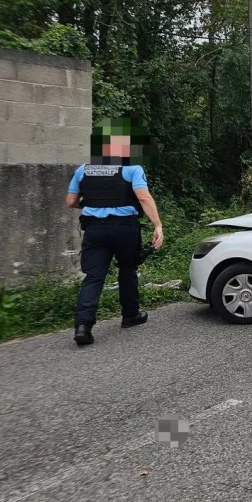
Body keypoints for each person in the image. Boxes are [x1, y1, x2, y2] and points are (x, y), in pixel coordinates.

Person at [66, 119, 163, 346]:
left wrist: (93, 205)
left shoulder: (83, 170)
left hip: (95, 231)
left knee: (94, 277)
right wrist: (157, 224)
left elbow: (71, 201)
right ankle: (130, 316)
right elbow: (143, 197)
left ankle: (83, 326)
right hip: (124, 229)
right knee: (127, 269)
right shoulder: (132, 168)